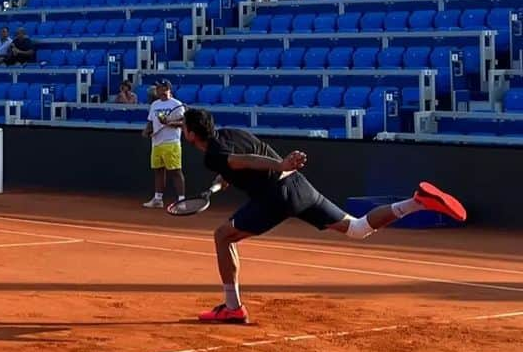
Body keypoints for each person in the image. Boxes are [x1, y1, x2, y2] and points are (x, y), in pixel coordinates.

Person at [180, 107, 467, 324]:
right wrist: (217, 185)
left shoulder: (212, 155)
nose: (182, 131)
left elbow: (242, 161)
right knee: (357, 228)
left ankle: (233, 308)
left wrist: (279, 165)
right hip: (298, 186)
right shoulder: (232, 134)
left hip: (275, 195)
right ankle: (416, 203)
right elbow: (232, 166)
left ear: (192, 134)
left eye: (183, 128)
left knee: (222, 236)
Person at [142, 80, 185, 208]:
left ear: (167, 89)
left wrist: (170, 122)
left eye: (161, 87)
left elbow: (183, 123)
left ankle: (182, 201)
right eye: (158, 88)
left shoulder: (177, 104)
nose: (159, 90)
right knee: (158, 171)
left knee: (176, 171)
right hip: (156, 142)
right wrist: (147, 130)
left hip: (171, 143)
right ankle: (158, 199)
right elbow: (151, 121)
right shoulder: (154, 104)